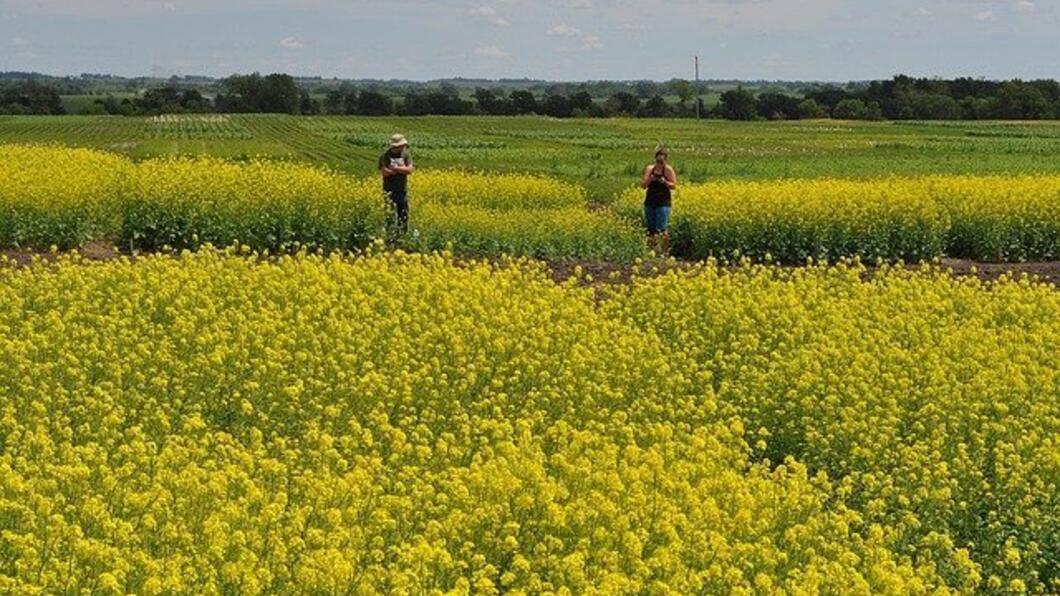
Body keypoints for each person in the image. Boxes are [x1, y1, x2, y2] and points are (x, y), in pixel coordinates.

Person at [641, 145, 677, 255]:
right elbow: (643, 185)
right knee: (651, 228)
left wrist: (665, 182)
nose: (659, 163)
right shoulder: (650, 169)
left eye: (662, 161)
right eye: (658, 160)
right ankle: (651, 251)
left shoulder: (668, 170)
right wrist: (650, 179)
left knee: (662, 229)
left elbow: (674, 185)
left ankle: (664, 251)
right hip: (650, 200)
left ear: (665, 160)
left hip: (663, 202)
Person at [379, 133, 415, 235]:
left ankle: (402, 235)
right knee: (389, 215)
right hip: (388, 190)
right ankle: (390, 236)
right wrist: (400, 169)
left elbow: (410, 170)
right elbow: (384, 171)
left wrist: (395, 168)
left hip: (401, 189)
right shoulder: (385, 155)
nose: (402, 147)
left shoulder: (406, 154)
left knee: (403, 214)